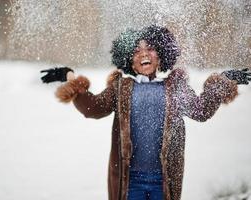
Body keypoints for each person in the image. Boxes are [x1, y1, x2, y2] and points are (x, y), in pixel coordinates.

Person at [41, 25, 251, 200]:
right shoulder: (121, 88)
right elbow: (92, 108)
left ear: (161, 55)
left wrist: (223, 81)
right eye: (136, 51)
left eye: (150, 48)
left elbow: (201, 110)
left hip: (164, 181)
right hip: (129, 181)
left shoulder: (174, 87)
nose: (143, 54)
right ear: (129, 60)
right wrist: (69, 76)